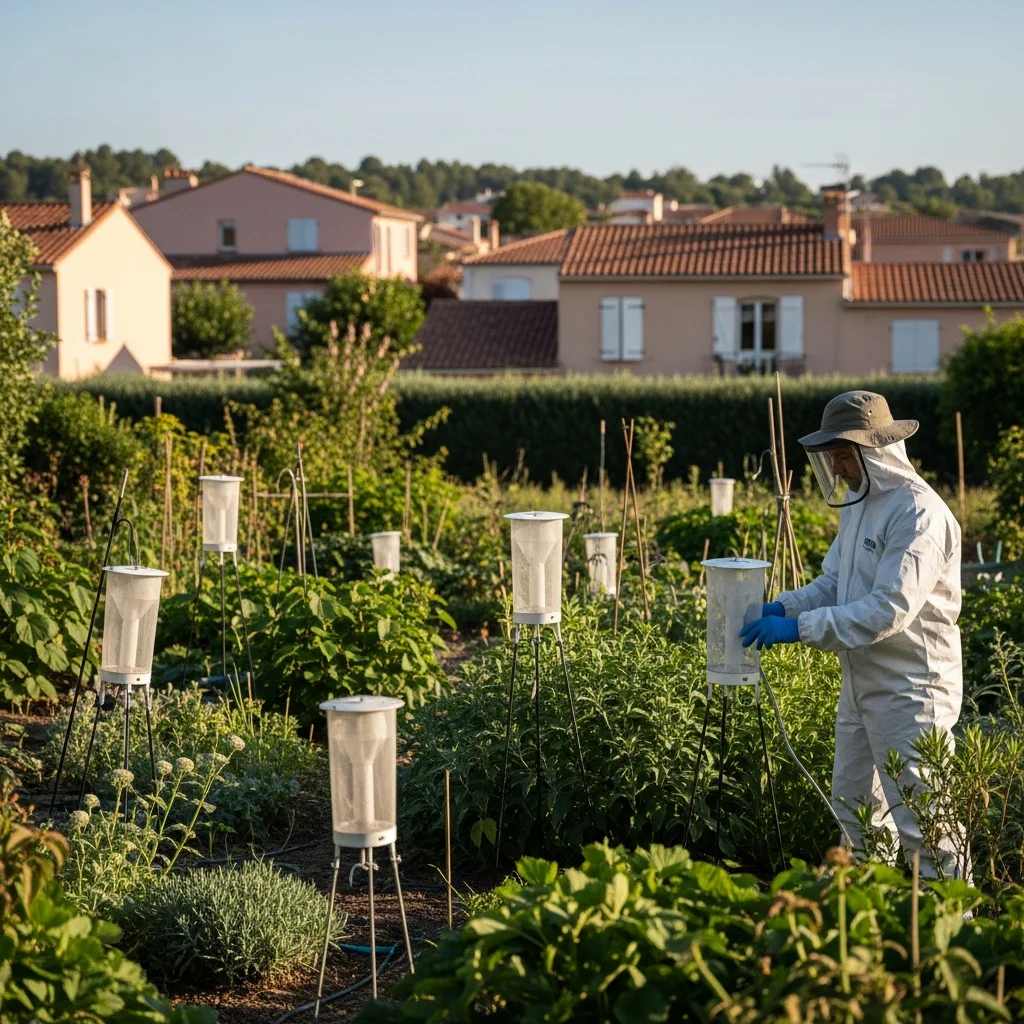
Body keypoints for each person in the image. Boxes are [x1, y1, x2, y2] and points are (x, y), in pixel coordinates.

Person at [738, 390, 967, 880]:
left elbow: (891, 608)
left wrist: (797, 628)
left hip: (912, 693)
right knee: (858, 818)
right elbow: (835, 583)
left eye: (843, 455)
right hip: (861, 687)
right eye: (834, 457)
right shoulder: (861, 505)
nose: (837, 468)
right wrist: (785, 604)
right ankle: (866, 925)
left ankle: (956, 934)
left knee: (928, 827)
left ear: (876, 450)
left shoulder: (918, 515)